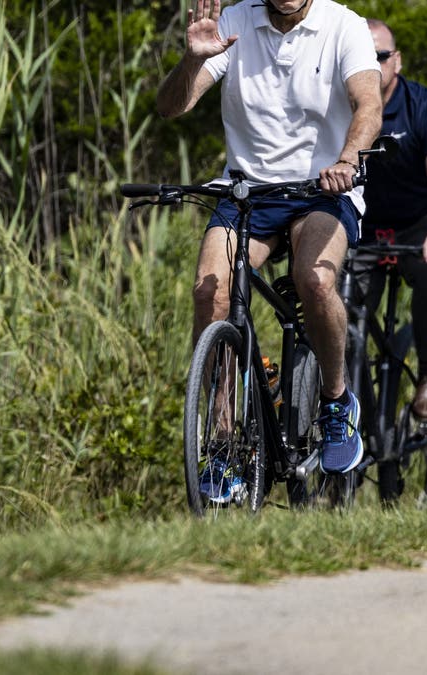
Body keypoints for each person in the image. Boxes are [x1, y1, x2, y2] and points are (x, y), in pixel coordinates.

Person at [156, 0, 382, 497]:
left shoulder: (342, 25)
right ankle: (222, 441)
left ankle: (336, 400)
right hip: (247, 191)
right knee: (209, 293)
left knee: (316, 280)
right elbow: (171, 106)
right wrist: (194, 58)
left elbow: (369, 105)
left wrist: (346, 159)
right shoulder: (234, 22)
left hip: (320, 190)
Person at [356, 18, 427, 421]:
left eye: (380, 56)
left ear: (396, 61)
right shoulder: (335, 108)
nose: (372, 65)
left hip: (421, 226)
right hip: (360, 229)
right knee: (327, 296)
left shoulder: (426, 108)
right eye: (361, 57)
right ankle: (334, 397)